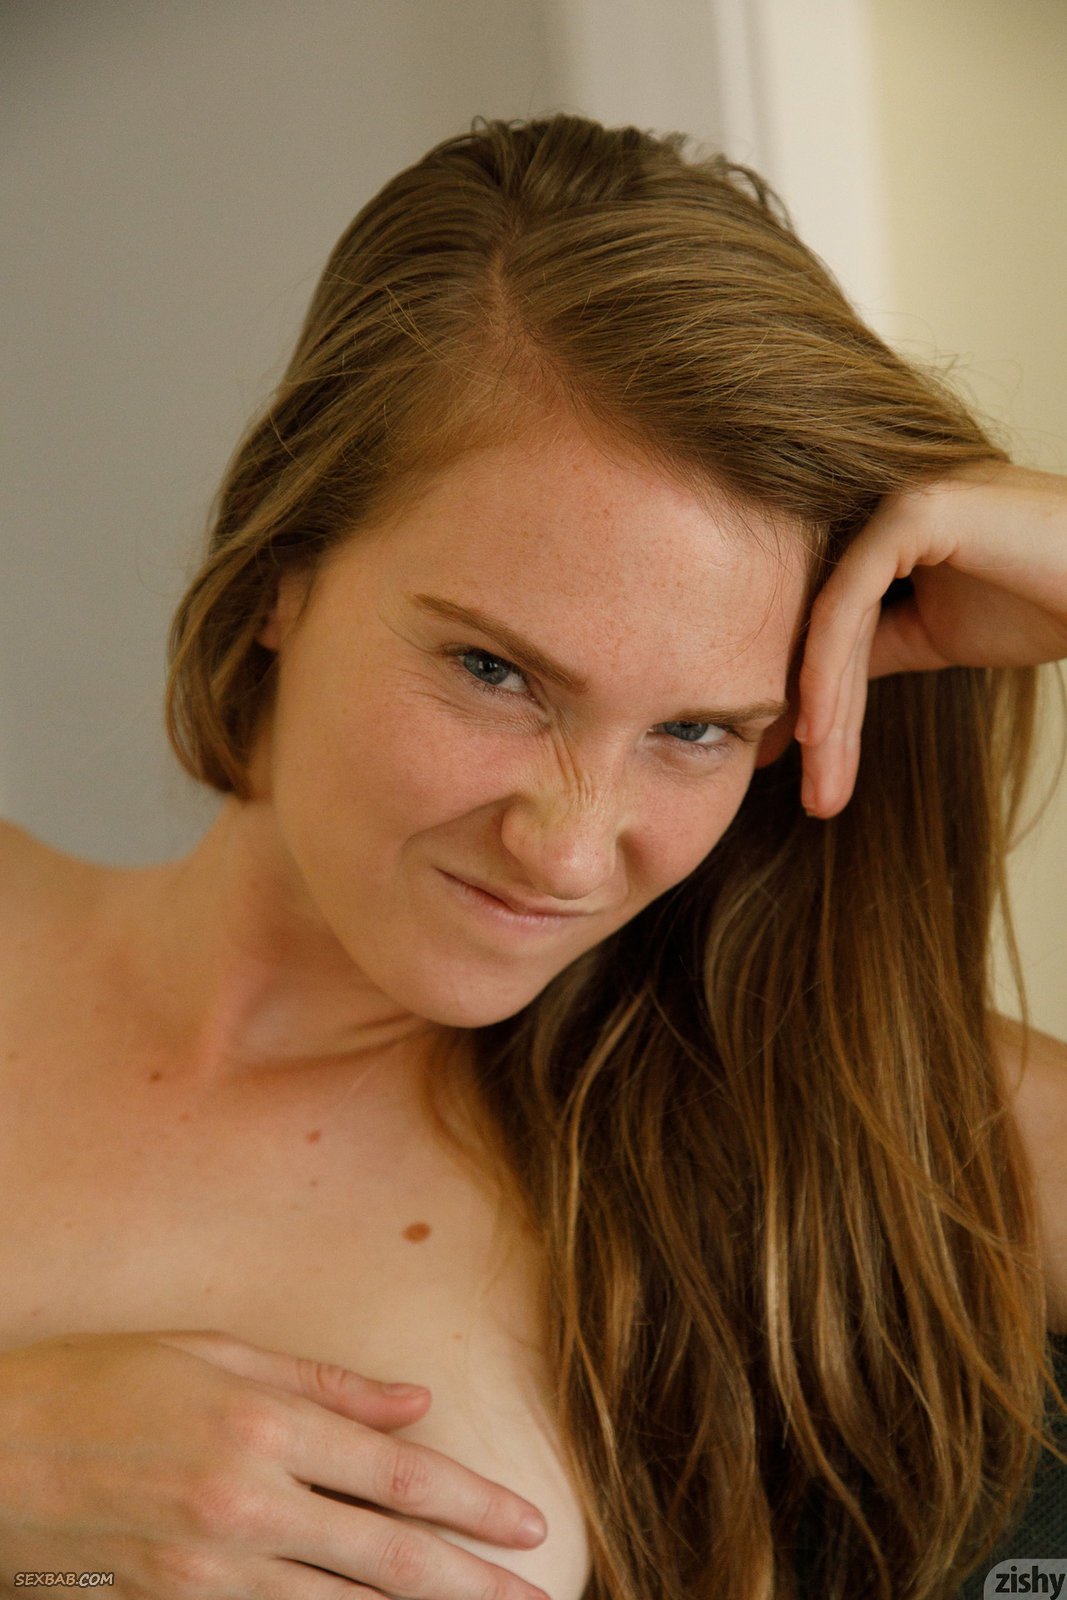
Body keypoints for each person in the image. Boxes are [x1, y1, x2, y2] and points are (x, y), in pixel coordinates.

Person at [0, 112, 1064, 1600]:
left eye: (695, 729)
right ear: (281, 573)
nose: (566, 850)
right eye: (496, 672)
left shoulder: (828, 1112)